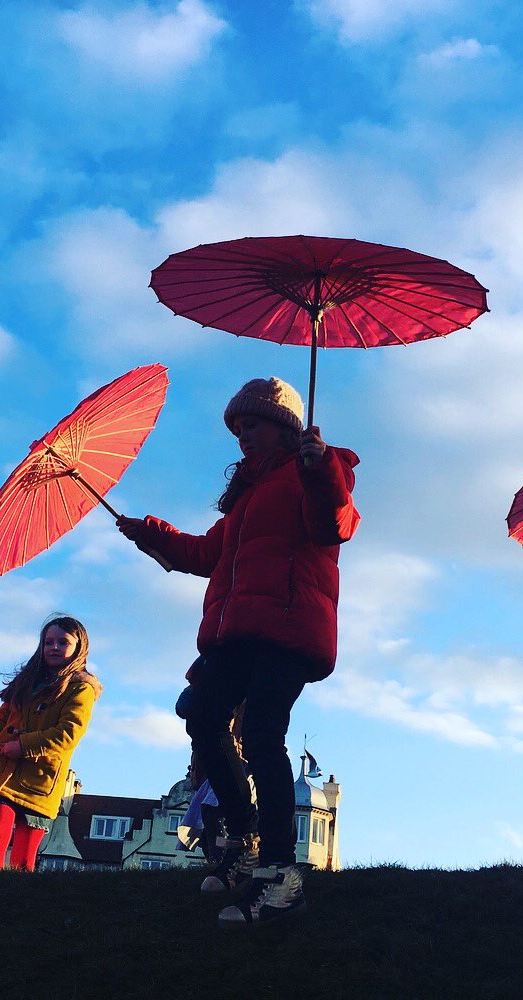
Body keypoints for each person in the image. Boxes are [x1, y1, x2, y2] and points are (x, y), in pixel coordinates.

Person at [117, 377, 359, 924]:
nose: (241, 436)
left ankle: (280, 873)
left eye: (250, 424)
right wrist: (149, 533)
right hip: (237, 632)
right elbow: (207, 554)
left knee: (263, 734)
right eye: (237, 428)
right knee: (203, 715)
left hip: (290, 626)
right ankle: (242, 836)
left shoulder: (318, 470)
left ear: (282, 426)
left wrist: (320, 468)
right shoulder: (247, 496)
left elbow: (336, 524)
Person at [0, 614, 101, 871]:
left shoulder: (81, 688)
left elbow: (68, 734)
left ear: (79, 647)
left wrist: (23, 746)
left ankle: (16, 894)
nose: (54, 647)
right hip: (1, 776)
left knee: (24, 857)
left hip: (39, 781)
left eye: (63, 642)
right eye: (48, 642)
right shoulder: (25, 683)